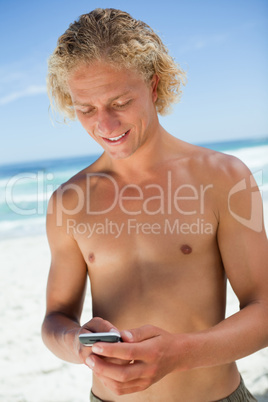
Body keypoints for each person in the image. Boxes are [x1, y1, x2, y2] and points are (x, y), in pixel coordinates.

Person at [41, 8, 268, 402]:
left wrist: (178, 355)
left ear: (154, 85)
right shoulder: (67, 201)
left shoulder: (222, 177)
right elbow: (54, 320)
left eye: (120, 101)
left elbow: (264, 311)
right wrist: (77, 344)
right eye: (87, 109)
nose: (106, 126)